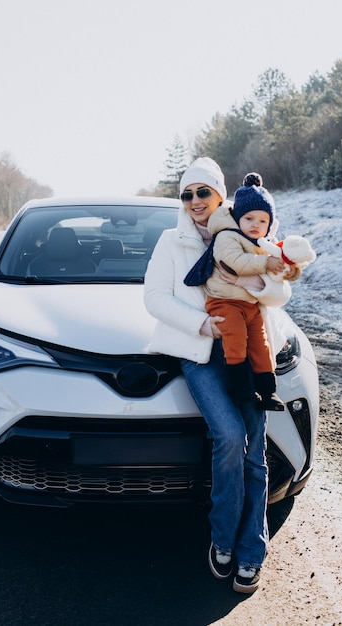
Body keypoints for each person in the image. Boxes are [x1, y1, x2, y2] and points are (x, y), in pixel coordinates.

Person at [144, 157, 294, 594]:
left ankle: (251, 551)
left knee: (254, 454)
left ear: (219, 194)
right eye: (187, 194)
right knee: (229, 437)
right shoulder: (171, 243)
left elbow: (281, 284)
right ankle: (222, 537)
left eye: (202, 192)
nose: (194, 201)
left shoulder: (250, 228)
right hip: (200, 352)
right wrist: (204, 325)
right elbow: (154, 298)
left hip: (250, 353)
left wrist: (263, 288)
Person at [204, 172, 287, 411]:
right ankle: (241, 390)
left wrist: (286, 268)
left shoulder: (265, 244)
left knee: (261, 346)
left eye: (262, 221)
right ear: (238, 218)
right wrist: (266, 264)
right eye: (249, 218)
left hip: (251, 305)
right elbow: (234, 262)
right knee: (236, 343)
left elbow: (280, 275)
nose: (255, 225)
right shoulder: (226, 236)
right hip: (225, 302)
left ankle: (268, 392)